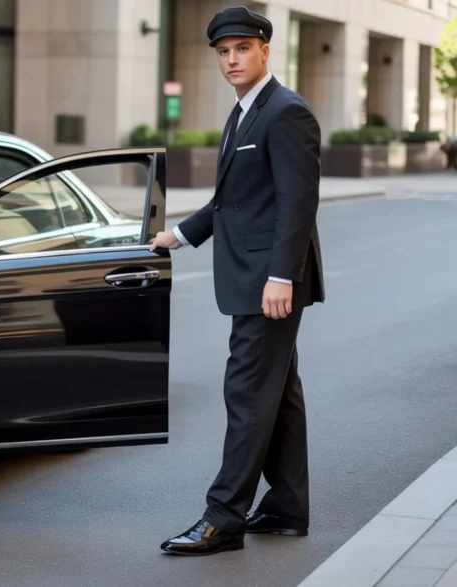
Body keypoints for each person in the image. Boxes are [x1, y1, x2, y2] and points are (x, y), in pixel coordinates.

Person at [151, 5, 326, 556]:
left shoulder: (286, 111)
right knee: (279, 394)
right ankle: (286, 506)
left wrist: (281, 277)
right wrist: (178, 235)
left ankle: (223, 518)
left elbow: (298, 204)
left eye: (242, 49)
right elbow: (230, 199)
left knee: (247, 393)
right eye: (223, 52)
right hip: (256, 277)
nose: (231, 59)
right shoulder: (244, 111)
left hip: (269, 281)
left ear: (264, 50)